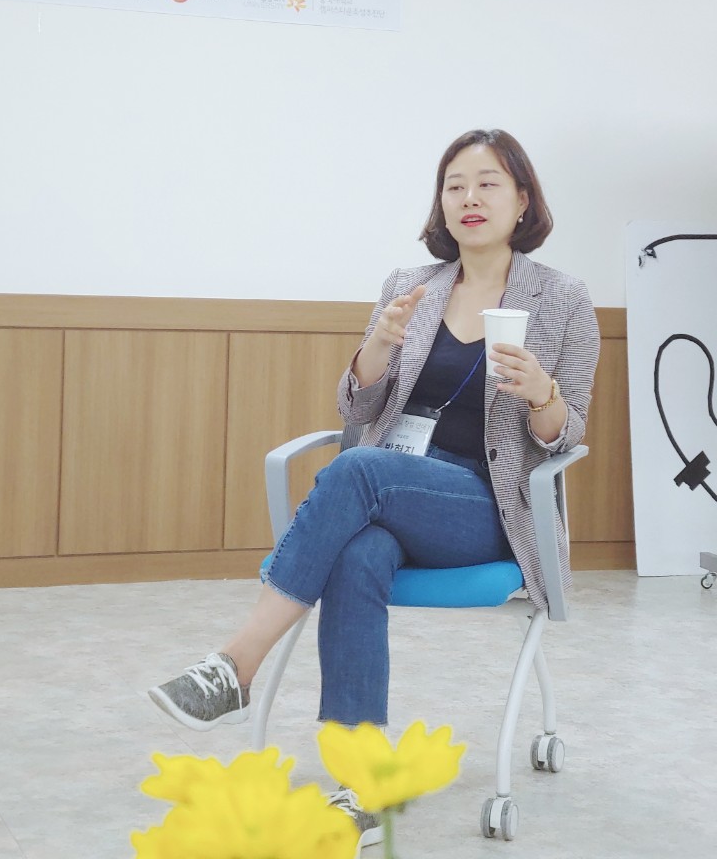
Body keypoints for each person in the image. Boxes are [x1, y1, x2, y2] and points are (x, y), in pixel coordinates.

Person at [148, 128, 600, 848]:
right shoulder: (409, 286)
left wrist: (541, 390)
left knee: (356, 470)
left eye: (487, 183)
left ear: (522, 200)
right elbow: (357, 410)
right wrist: (378, 350)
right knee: (358, 553)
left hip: (487, 504)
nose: (469, 197)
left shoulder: (563, 300)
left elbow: (564, 436)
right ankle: (363, 782)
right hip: (392, 484)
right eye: (455, 184)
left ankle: (237, 665)